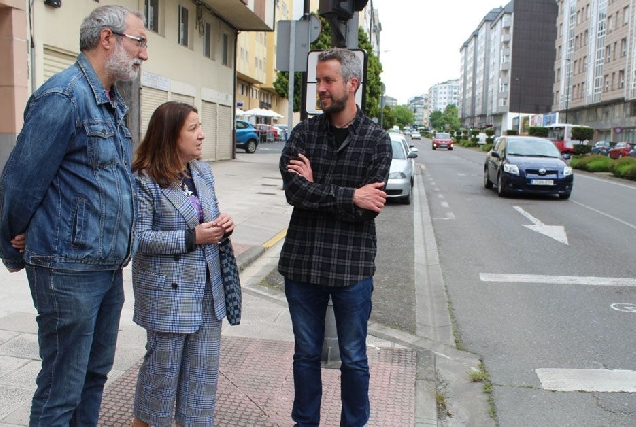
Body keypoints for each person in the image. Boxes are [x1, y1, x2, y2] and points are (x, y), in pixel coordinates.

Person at [0, 5, 148, 425]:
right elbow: (18, 184)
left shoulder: (111, 104)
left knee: (93, 378)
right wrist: (14, 248)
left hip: (105, 266)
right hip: (68, 272)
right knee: (61, 390)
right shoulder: (63, 96)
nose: (144, 54)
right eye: (139, 41)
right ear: (108, 39)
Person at [278, 48, 393, 427]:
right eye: (318, 81)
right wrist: (349, 194)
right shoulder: (303, 133)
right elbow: (296, 193)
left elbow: (368, 208)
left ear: (351, 84)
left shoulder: (377, 140)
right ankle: (305, 422)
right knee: (305, 353)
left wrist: (320, 188)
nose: (321, 88)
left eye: (328, 81)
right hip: (304, 264)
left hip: (352, 268)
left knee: (354, 357)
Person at [130, 101, 234, 427]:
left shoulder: (202, 172)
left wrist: (221, 225)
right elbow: (138, 238)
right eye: (193, 128)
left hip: (207, 293)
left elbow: (207, 218)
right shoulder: (144, 180)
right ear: (171, 135)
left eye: (200, 127)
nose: (202, 135)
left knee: (202, 382)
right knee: (161, 379)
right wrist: (191, 238)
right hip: (167, 296)